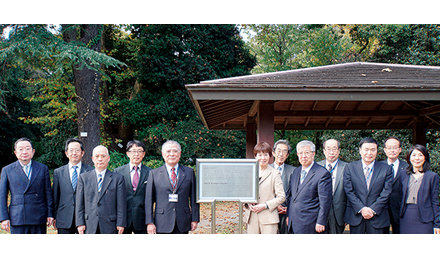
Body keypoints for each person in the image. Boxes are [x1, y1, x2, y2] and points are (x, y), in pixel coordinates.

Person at [0, 137, 54, 234]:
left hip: (39, 216)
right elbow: (2, 196)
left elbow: (48, 193)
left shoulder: (42, 168)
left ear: (33, 152)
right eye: (20, 149)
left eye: (28, 149)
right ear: (15, 152)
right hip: (18, 217)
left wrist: (50, 214)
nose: (24, 152)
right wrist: (4, 217)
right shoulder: (7, 170)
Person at [145, 140, 200, 234]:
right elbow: (148, 201)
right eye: (168, 151)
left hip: (183, 220)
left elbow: (194, 197)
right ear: (163, 154)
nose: (172, 154)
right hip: (161, 221)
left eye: (175, 151)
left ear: (180, 153)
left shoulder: (189, 172)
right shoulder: (154, 174)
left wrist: (195, 219)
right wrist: (150, 222)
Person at [343, 137, 393, 234]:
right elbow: (349, 191)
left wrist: (373, 209)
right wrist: (362, 209)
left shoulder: (386, 169)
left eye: (373, 150)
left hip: (378, 217)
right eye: (366, 150)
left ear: (377, 151)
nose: (369, 153)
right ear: (360, 151)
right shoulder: (350, 167)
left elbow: (386, 191)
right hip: (357, 216)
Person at [75, 145, 126, 234]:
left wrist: (121, 223)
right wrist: (80, 223)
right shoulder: (84, 178)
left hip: (110, 224)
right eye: (97, 156)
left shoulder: (118, 179)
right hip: (89, 224)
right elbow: (79, 203)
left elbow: (121, 204)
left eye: (103, 156)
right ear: (92, 159)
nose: (100, 159)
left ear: (108, 158)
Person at [286, 140, 332, 234]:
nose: (303, 156)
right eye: (301, 153)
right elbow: (292, 197)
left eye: (307, 153)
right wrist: (289, 216)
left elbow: (325, 201)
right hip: (293, 221)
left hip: (311, 222)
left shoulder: (322, 173)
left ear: (313, 154)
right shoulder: (296, 172)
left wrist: (321, 221)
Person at [53, 138, 94, 234]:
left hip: (85, 219)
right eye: (71, 150)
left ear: (82, 153)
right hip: (64, 218)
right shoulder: (58, 172)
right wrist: (54, 216)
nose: (74, 153)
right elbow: (55, 196)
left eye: (77, 150)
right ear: (66, 153)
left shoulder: (90, 171)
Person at [244, 142, 285, 234]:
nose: (263, 158)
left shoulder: (275, 173)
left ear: (270, 156)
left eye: (266, 155)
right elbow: (244, 193)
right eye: (260, 155)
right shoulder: (249, 173)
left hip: (269, 218)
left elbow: (281, 197)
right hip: (252, 217)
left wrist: (265, 205)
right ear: (255, 156)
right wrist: (248, 202)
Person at [400, 144, 440, 234]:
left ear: (425, 158)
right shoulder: (403, 175)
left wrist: (437, 224)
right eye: (414, 155)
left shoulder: (432, 176)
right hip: (406, 216)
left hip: (425, 218)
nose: (417, 158)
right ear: (409, 158)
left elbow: (435, 201)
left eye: (420, 155)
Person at [114, 140, 151, 234]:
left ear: (143, 154)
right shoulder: (118, 172)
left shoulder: (151, 173)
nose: (136, 154)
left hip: (142, 219)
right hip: (124, 220)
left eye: (139, 151)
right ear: (127, 154)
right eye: (133, 151)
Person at [317, 138, 347, 234]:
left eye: (334, 149)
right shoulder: (316, 167)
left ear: (339, 151)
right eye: (328, 149)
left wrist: (348, 215)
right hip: (319, 213)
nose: (331, 152)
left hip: (339, 214)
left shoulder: (348, 167)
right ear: (324, 151)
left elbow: (351, 192)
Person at [382, 136, 408, 234]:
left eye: (395, 147)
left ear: (400, 149)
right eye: (389, 148)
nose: (392, 150)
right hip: (382, 209)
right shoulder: (378, 166)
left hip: (400, 208)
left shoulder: (407, 167)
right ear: (385, 150)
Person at [270, 139, 295, 234]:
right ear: (273, 153)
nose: (281, 154)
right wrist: (275, 205)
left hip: (287, 213)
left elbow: (296, 193)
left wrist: (289, 208)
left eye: (284, 151)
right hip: (270, 212)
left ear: (287, 155)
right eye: (279, 151)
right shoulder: (267, 169)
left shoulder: (294, 171)